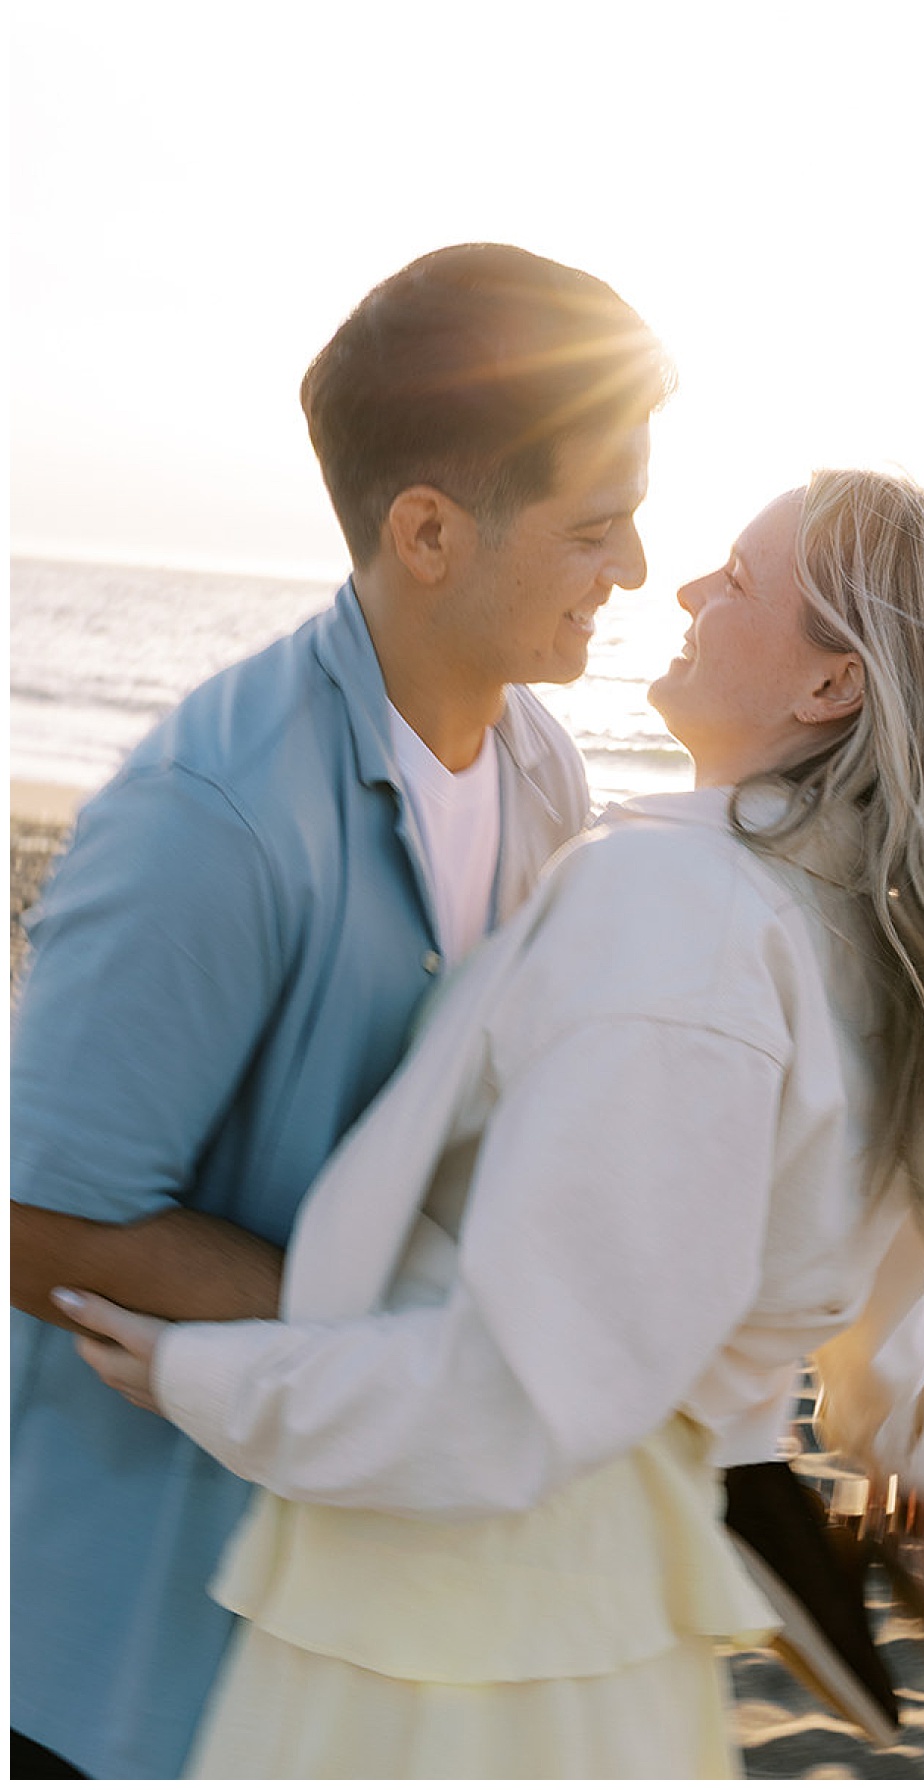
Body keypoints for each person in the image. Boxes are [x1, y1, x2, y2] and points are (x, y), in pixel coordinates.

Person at [65, 468, 924, 1780]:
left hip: (462, 1622)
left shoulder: (682, 913)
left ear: (832, 686)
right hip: (610, 1619)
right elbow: (883, 1272)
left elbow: (514, 1402)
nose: (682, 590)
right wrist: (908, 1464)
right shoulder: (886, 952)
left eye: (737, 580)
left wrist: (205, 1377)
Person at [9, 243, 673, 1781]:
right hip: (118, 1672)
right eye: (595, 526)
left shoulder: (546, 773)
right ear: (427, 530)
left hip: (361, 1656)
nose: (636, 567)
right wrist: (405, 1337)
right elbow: (33, 1221)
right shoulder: (213, 818)